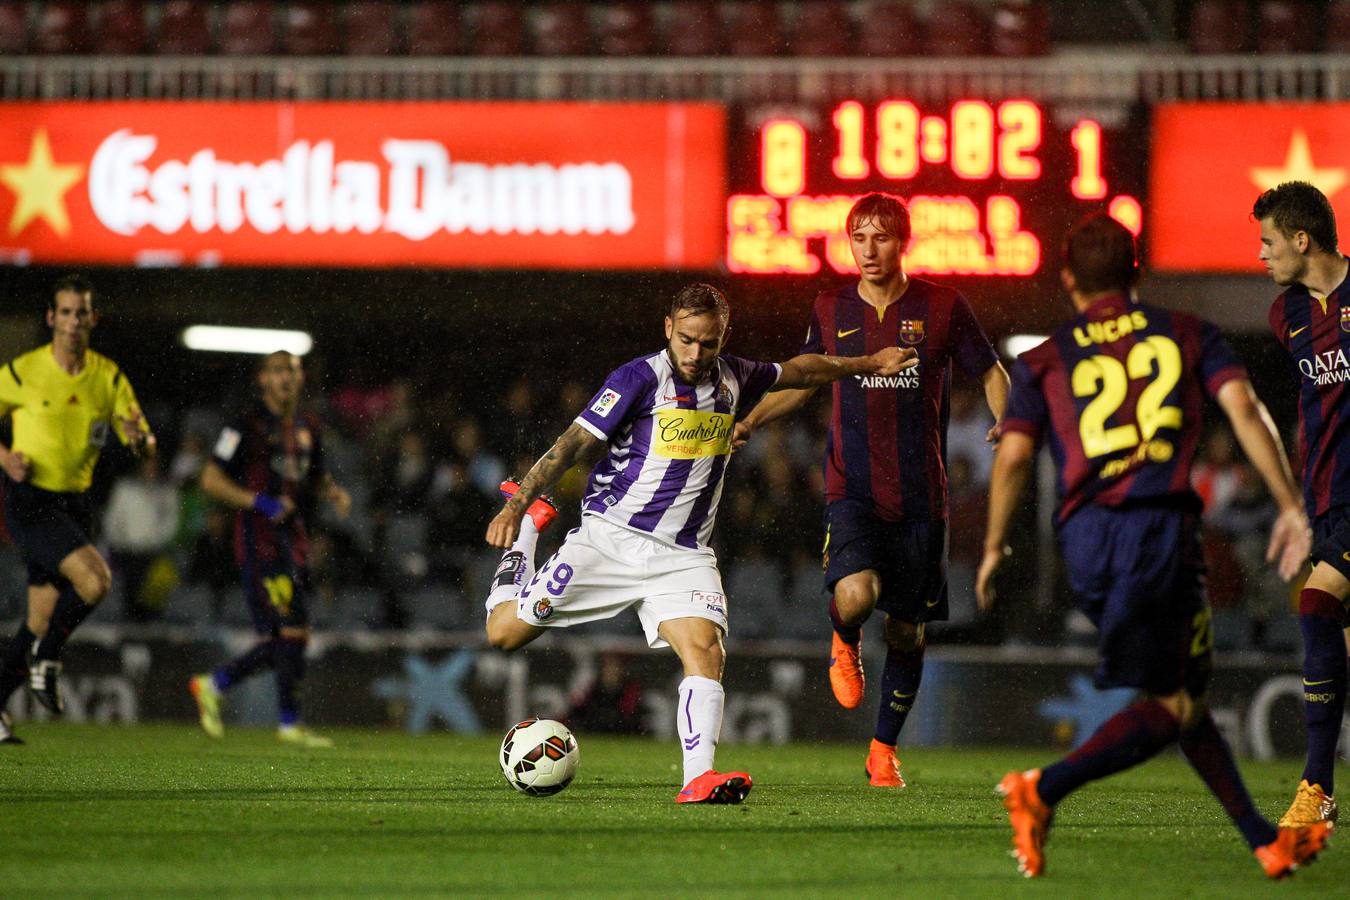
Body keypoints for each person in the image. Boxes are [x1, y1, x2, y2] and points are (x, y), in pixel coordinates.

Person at [976, 213, 1328, 879]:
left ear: (1068, 277)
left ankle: (1263, 840)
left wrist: (994, 544)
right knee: (1173, 704)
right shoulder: (1189, 333)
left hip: (1086, 540)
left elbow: (1015, 455)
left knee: (1183, 693)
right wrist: (1290, 505)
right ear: (1137, 272)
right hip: (1157, 532)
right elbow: (1246, 410)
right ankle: (1040, 789)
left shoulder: (1043, 358)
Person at [483, 283, 915, 804]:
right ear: (668, 329)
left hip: (683, 555)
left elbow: (804, 371)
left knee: (706, 650)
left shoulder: (737, 376)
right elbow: (573, 444)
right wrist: (516, 507)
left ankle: (696, 779)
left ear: (722, 337)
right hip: (609, 541)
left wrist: (870, 361)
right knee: (503, 634)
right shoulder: (638, 378)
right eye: (686, 339)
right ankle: (531, 532)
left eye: (707, 343)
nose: (695, 354)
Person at [733, 192, 1009, 787]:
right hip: (852, 487)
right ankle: (844, 636)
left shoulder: (942, 305)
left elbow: (990, 369)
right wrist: (752, 419)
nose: (868, 249)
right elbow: (805, 377)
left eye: (880, 236)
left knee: (908, 629)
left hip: (922, 497)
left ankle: (882, 750)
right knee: (857, 595)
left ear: (902, 240)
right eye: (858, 236)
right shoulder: (831, 307)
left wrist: (1005, 418)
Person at [0, 274, 156, 745]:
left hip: (74, 504)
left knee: (40, 616)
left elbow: (145, 444)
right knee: (95, 581)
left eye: (80, 312)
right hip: (31, 501)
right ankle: (48, 661)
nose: (72, 322)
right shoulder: (24, 371)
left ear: (93, 318)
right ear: (51, 318)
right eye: (64, 312)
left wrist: (139, 441)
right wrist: (4, 458)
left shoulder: (107, 378)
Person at [188, 351, 351, 748]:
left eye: (292, 371)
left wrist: (330, 489)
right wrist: (259, 502)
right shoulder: (243, 424)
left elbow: (312, 475)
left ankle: (216, 683)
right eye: (277, 371)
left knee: (288, 636)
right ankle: (286, 722)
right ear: (262, 379)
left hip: (292, 541)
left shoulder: (308, 425)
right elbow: (210, 479)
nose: (285, 379)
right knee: (292, 629)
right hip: (257, 539)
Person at [1255, 180, 1350, 829]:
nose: (1261, 255)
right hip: (1328, 498)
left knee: (1316, 605)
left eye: (1268, 242)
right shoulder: (1284, 316)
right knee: (1333, 629)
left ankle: (1315, 787)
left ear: (1301, 238)